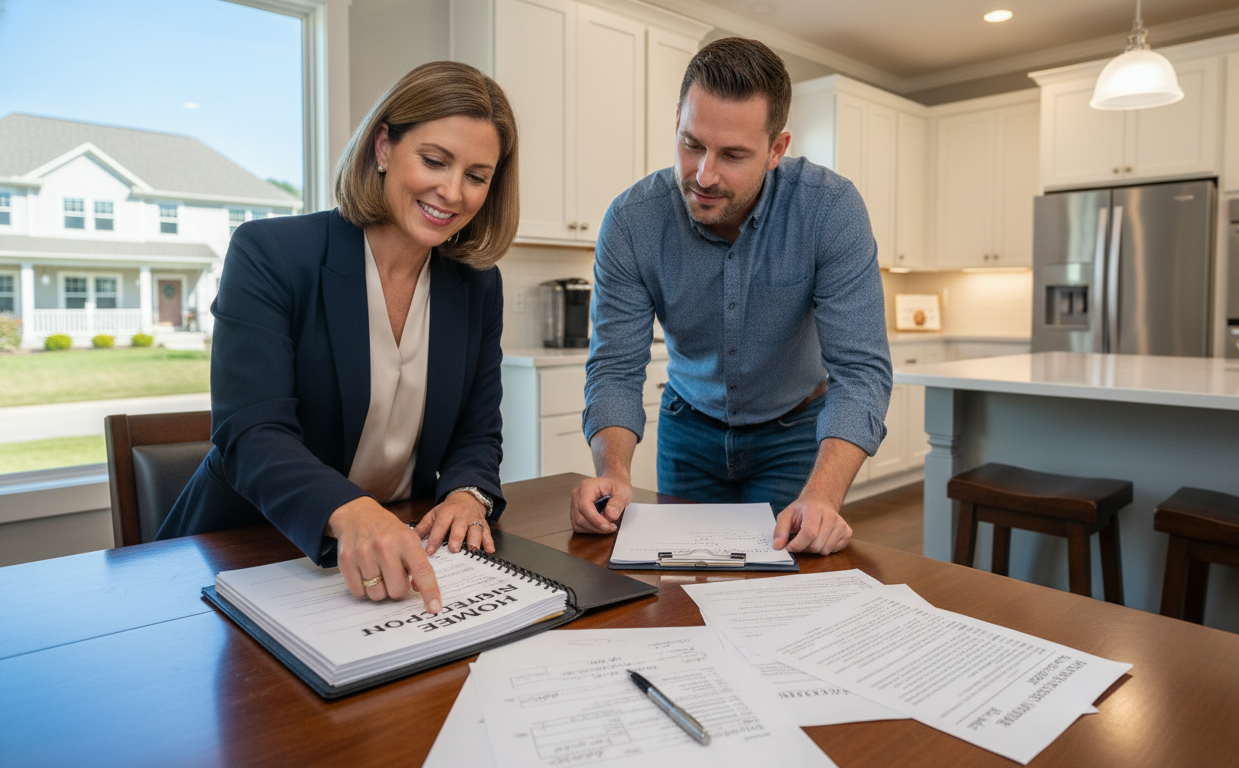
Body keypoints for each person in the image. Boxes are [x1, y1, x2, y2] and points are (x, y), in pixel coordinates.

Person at [157, 62, 519, 615]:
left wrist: (469, 494)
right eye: (434, 160)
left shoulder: (476, 285)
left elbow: (477, 432)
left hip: (391, 557)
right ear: (382, 147)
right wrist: (350, 509)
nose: (452, 192)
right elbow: (252, 433)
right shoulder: (270, 253)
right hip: (240, 555)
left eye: (477, 175)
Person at [571, 38, 893, 556]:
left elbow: (861, 373)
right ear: (677, 119)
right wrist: (613, 472)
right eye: (691, 143)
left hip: (796, 432)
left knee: (785, 589)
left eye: (733, 155)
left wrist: (822, 496)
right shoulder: (632, 223)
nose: (704, 175)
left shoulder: (830, 210)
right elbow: (614, 367)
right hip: (688, 428)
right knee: (677, 590)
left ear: (777, 150)